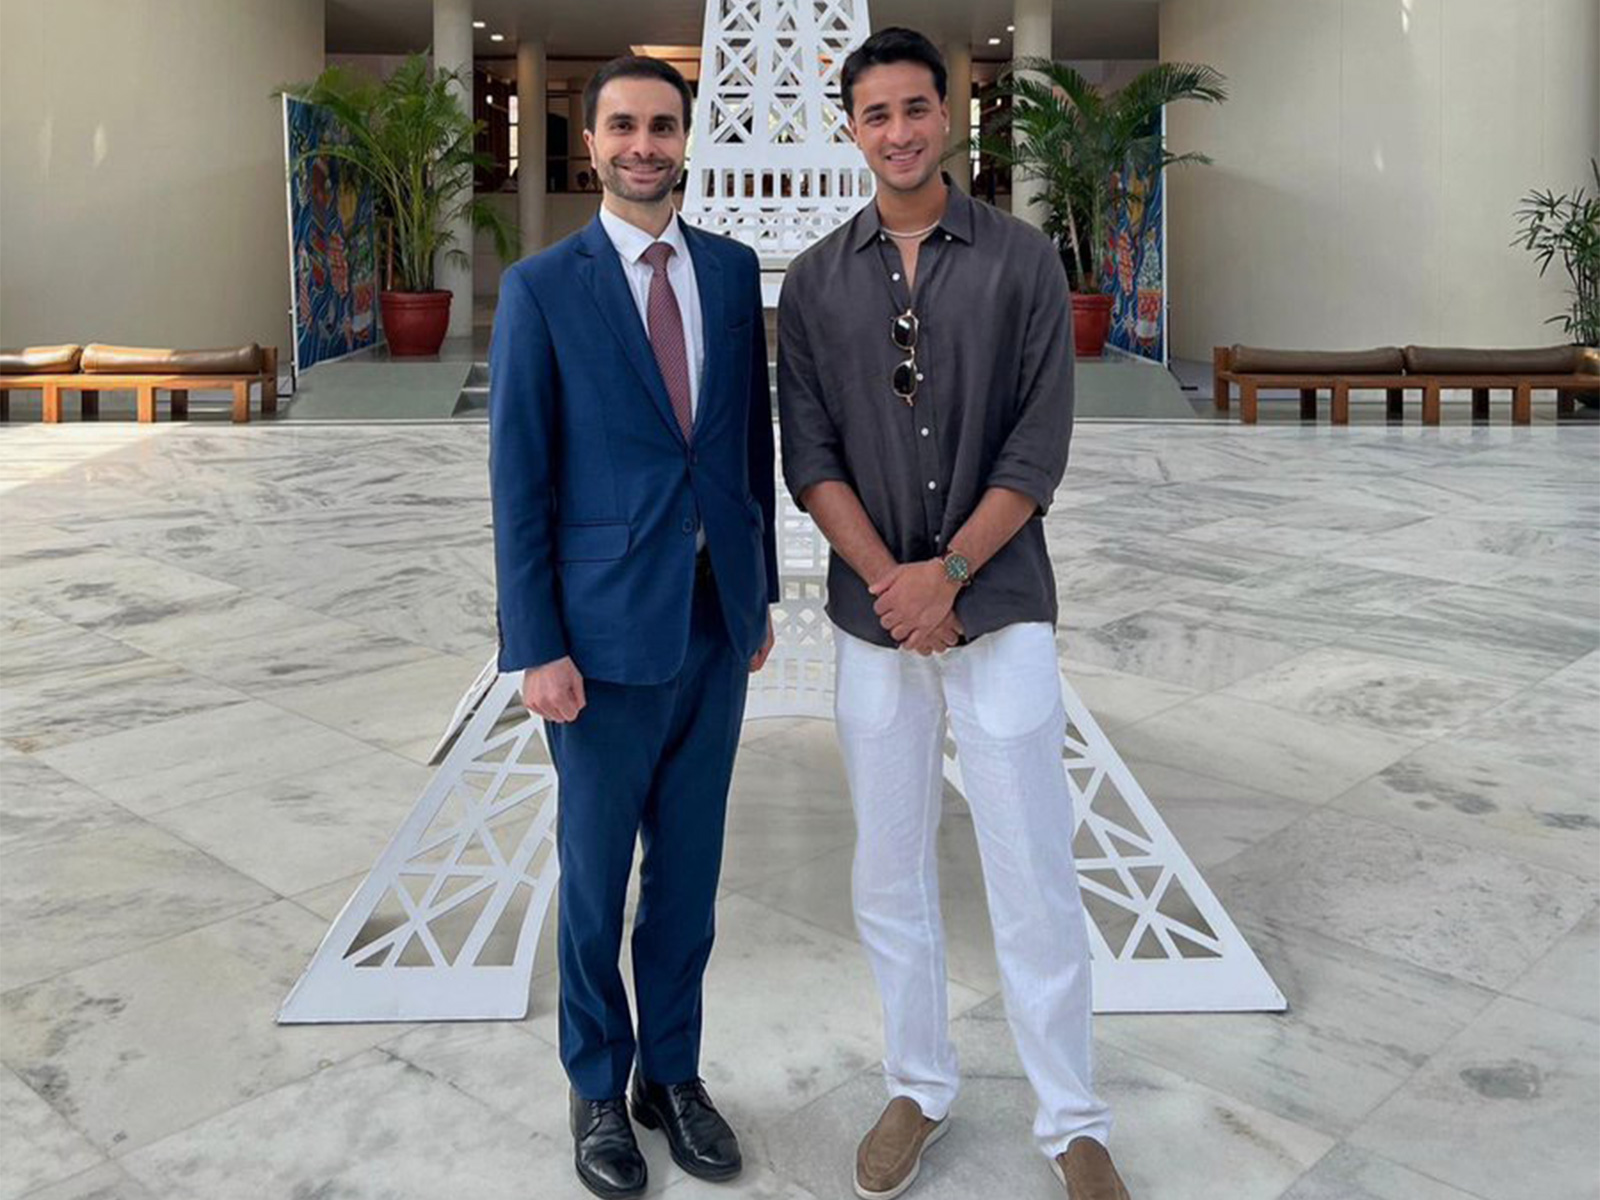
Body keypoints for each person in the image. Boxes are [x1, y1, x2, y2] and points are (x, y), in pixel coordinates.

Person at [776, 28, 1131, 1200]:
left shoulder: (1023, 261)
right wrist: (894, 580)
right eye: (875, 114)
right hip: (872, 617)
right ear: (852, 129)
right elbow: (809, 453)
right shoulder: (818, 280)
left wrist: (952, 576)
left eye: (916, 108)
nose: (899, 131)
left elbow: (1039, 444)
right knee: (888, 870)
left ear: (950, 116)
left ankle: (1071, 1119)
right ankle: (917, 1088)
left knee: (1033, 864)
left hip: (1005, 609)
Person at [488, 54, 778, 1200]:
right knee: (596, 877)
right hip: (598, 639)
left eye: (662, 125)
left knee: (691, 876)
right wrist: (535, 644)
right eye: (622, 127)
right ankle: (597, 1089)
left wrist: (755, 593)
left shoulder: (728, 268)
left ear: (685, 137)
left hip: (714, 625)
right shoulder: (541, 288)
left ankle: (674, 1074)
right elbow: (520, 481)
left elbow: (741, 448)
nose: (644, 144)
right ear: (591, 143)